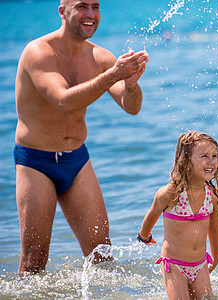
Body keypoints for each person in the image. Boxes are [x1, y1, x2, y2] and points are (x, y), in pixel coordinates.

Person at [14, 0, 149, 275]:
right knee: (33, 263)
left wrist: (131, 84)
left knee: (102, 256)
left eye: (96, 7)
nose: (91, 14)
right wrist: (113, 75)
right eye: (82, 7)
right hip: (36, 162)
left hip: (76, 159)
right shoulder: (38, 52)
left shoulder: (101, 57)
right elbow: (64, 101)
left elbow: (132, 107)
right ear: (63, 11)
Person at [137, 131, 218, 300]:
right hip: (174, 265)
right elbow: (152, 215)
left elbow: (215, 229)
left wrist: (216, 259)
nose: (212, 161)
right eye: (204, 156)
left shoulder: (214, 196)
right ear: (186, 161)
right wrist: (144, 236)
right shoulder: (170, 193)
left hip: (200, 265)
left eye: (214, 156)